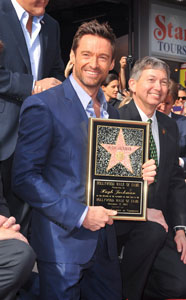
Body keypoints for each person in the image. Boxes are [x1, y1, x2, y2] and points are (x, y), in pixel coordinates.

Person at [12, 20, 156, 300]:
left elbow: (113, 175)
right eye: (87, 54)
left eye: (102, 57)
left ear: (111, 62)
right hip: (62, 244)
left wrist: (139, 176)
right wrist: (80, 215)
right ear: (72, 56)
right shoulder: (44, 105)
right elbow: (25, 178)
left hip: (105, 246)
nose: (94, 63)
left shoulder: (114, 116)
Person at [117, 56, 186, 300]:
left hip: (163, 224)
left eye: (164, 82)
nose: (158, 87)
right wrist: (143, 210)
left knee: (179, 285)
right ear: (133, 84)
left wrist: (180, 228)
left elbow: (176, 180)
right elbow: (107, 184)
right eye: (151, 80)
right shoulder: (115, 120)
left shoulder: (170, 125)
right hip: (120, 223)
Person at [0, 0, 65, 236]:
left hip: (36, 138)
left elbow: (56, 70)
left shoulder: (51, 26)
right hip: (2, 136)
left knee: (22, 222)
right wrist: (33, 86)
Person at [157, 79, 186, 178]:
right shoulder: (145, 121)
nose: (163, 107)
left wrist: (180, 161)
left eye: (167, 103)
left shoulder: (183, 123)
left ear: (174, 102)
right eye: (160, 102)